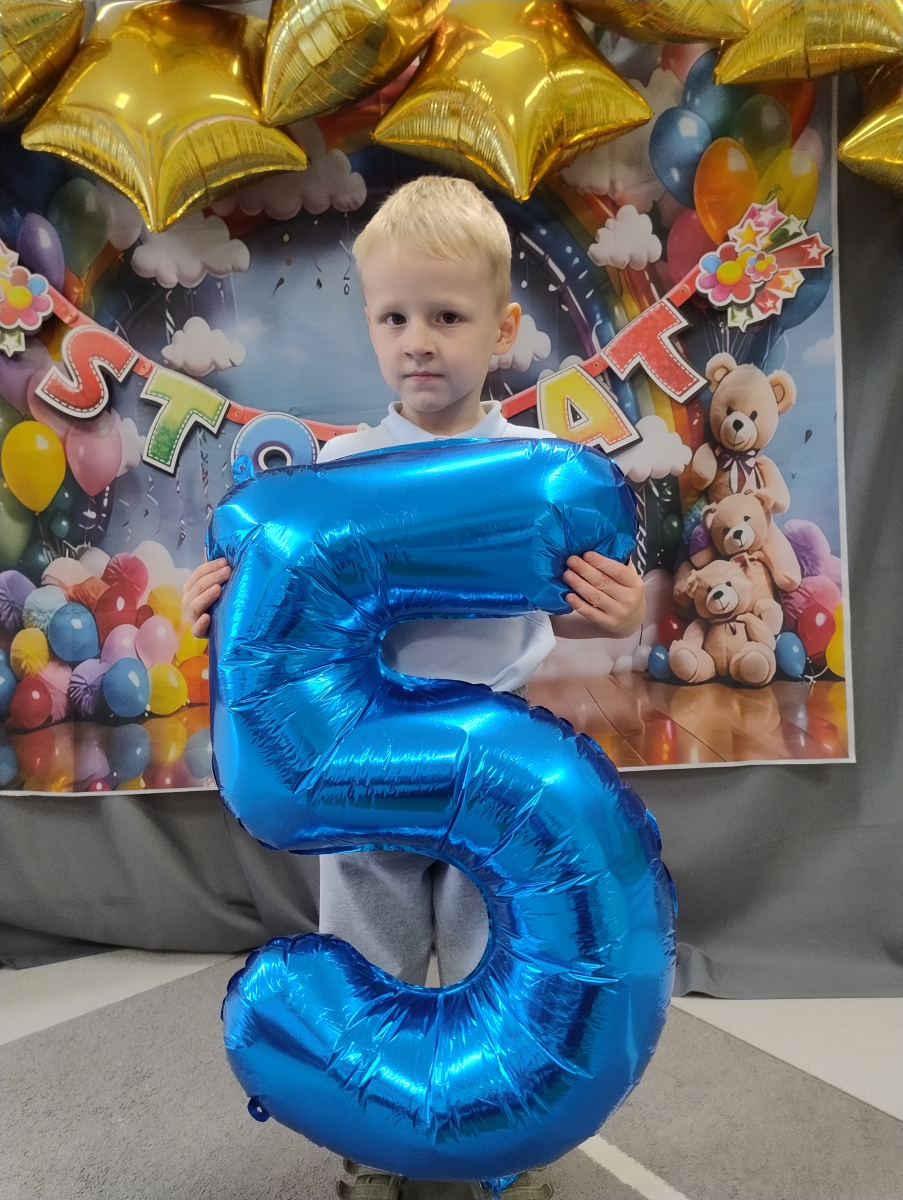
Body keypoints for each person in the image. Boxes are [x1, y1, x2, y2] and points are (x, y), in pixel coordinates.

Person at [183, 176, 645, 1200]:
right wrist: (223, 601)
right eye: (394, 318)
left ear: (503, 330)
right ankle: (371, 1139)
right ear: (370, 327)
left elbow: (570, 610)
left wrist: (615, 613)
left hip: (495, 782)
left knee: (516, 955)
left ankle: (507, 1147)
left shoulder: (536, 469)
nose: (418, 342)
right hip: (365, 775)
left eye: (446, 317)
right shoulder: (343, 467)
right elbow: (282, 629)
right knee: (371, 956)